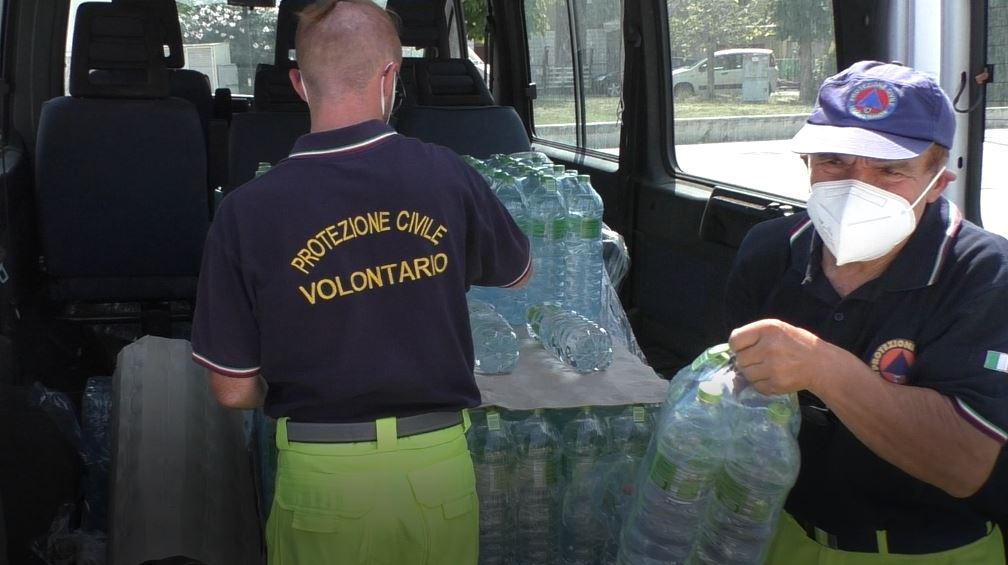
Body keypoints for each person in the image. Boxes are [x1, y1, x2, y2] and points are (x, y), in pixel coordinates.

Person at [188, 1, 532, 563]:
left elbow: (231, 389)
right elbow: (519, 274)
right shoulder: (448, 175)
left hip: (324, 477)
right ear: (390, 75)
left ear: (299, 84)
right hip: (437, 472)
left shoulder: (247, 212)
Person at [724, 60, 1008, 563]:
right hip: (777, 534)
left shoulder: (986, 275)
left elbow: (964, 463)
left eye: (890, 170)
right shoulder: (769, 250)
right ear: (807, 164)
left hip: (925, 553)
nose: (858, 185)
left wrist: (821, 366)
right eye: (834, 161)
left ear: (936, 182)